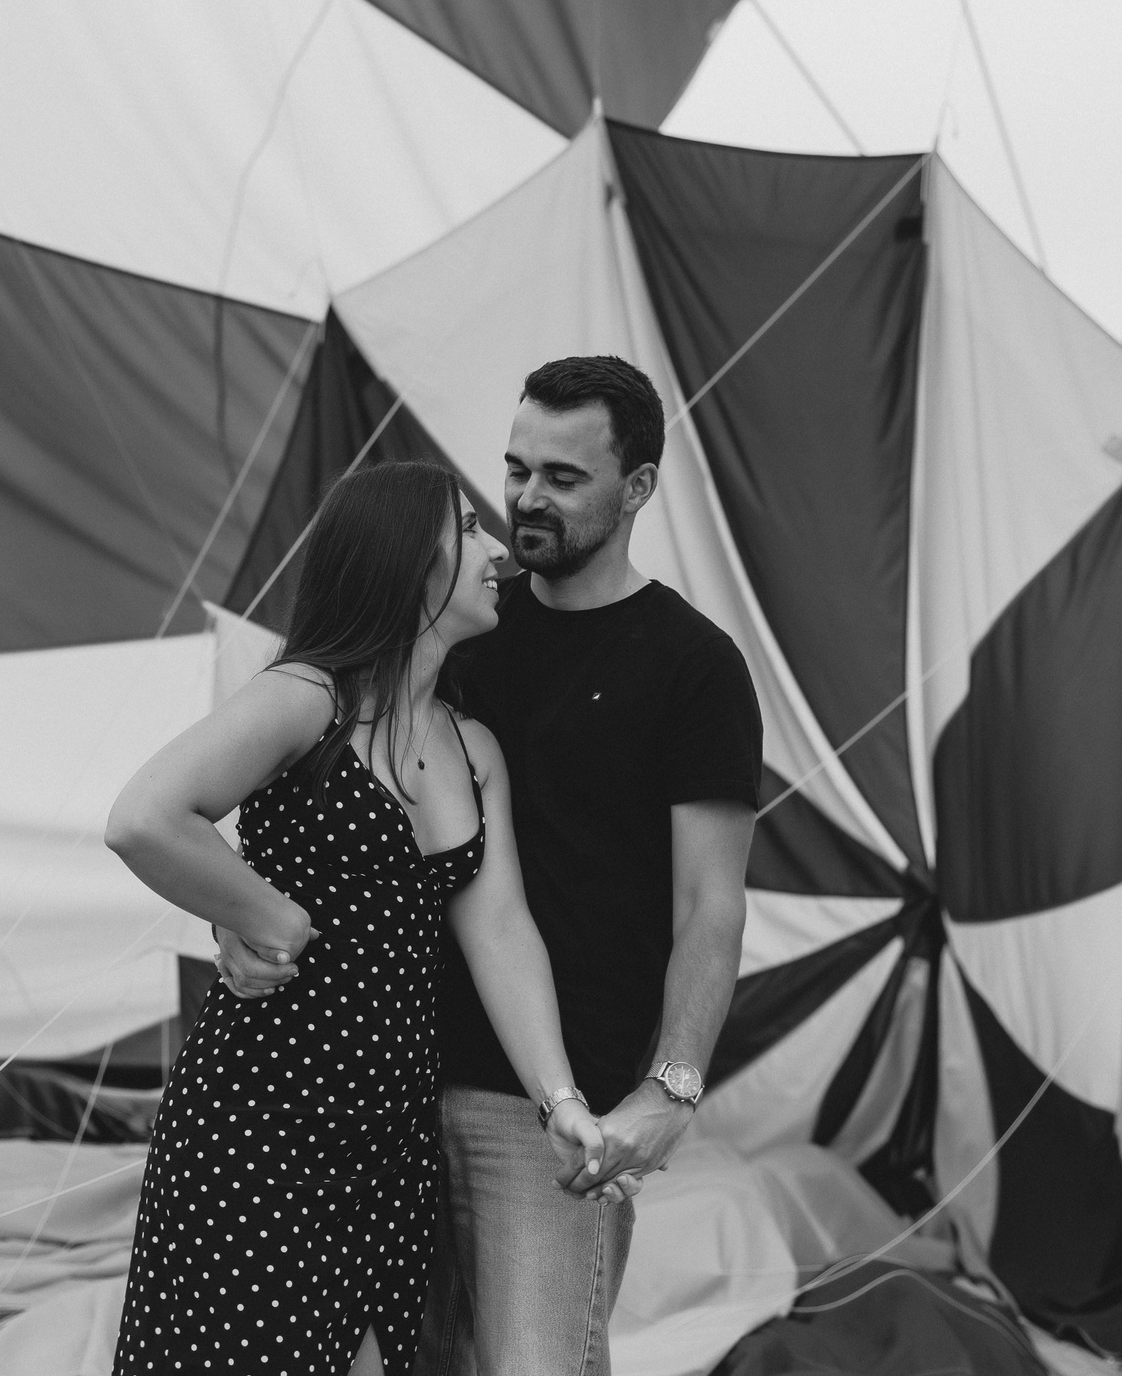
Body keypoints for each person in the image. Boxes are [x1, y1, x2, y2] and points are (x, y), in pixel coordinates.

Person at [221, 357, 762, 1376]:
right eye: (514, 468)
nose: (523, 499)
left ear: (636, 488)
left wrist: (671, 1088)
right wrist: (236, 910)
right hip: (374, 1090)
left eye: (562, 476)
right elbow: (300, 771)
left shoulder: (694, 667)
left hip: (547, 1111)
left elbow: (712, 905)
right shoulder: (460, 622)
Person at [104, 460, 613, 1376]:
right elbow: (145, 817)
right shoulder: (309, 696)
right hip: (263, 1122)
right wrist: (266, 915)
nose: (499, 551)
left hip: (388, 1138)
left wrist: (561, 1099)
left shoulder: (473, 745)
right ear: (410, 555)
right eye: (470, 527)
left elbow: (500, 934)